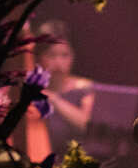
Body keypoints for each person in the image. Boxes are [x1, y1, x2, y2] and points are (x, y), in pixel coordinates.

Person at [32, 29, 96, 157]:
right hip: (43, 158)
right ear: (38, 60)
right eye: (51, 55)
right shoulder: (31, 90)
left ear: (72, 58)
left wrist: (54, 99)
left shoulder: (84, 87)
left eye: (64, 55)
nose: (58, 62)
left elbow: (87, 124)